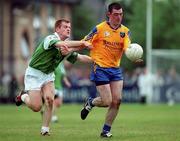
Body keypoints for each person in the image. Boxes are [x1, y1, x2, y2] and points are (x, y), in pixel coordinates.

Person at [15, 19, 92, 136]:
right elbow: (64, 44)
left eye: (69, 27)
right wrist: (83, 43)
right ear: (57, 29)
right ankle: (23, 96)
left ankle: (45, 129)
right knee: (36, 107)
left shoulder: (65, 48)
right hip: (34, 74)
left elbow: (80, 57)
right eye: (65, 26)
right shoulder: (50, 39)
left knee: (50, 100)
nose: (68, 29)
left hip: (48, 75)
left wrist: (99, 61)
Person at [80, 2, 142, 138]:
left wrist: (133, 56)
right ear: (109, 14)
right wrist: (70, 49)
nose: (119, 17)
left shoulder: (125, 31)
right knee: (107, 101)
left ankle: (105, 130)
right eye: (116, 14)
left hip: (115, 69)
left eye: (121, 14)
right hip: (100, 67)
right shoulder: (99, 28)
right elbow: (84, 41)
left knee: (117, 100)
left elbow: (128, 47)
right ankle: (91, 102)